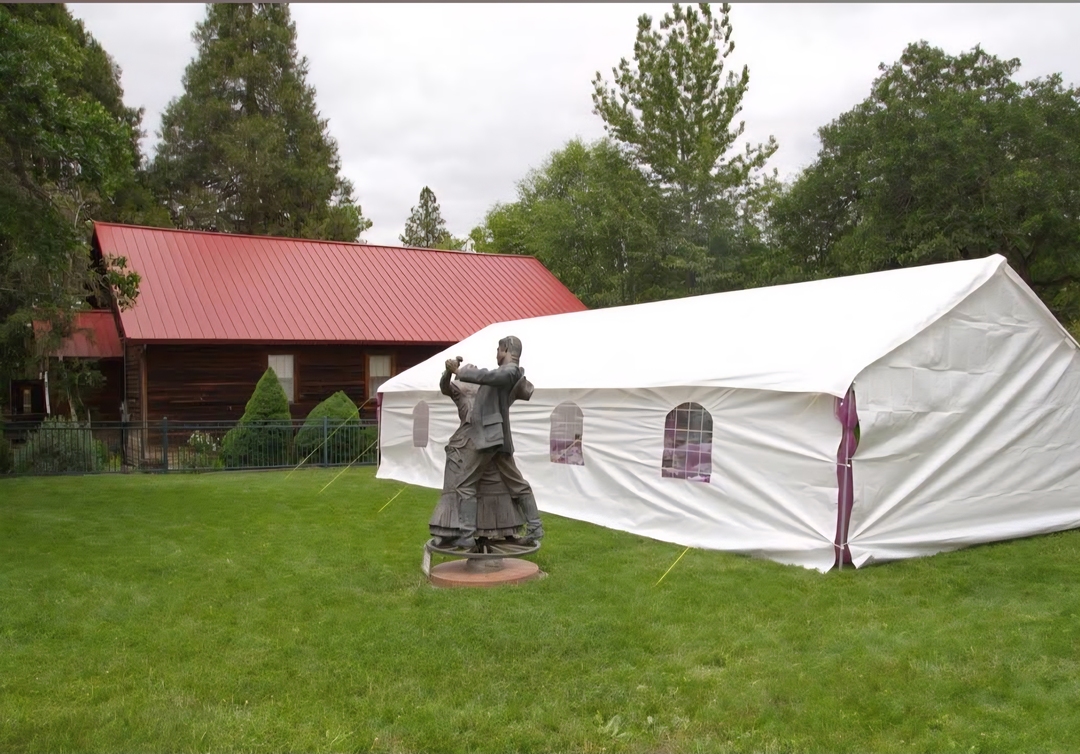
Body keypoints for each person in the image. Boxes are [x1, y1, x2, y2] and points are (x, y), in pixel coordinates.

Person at [446, 335, 544, 548]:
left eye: (498, 350)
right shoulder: (508, 374)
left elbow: (489, 376)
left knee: (465, 483)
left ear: (506, 349)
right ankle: (535, 528)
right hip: (499, 439)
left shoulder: (510, 371)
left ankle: (466, 535)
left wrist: (460, 372)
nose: (496, 354)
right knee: (518, 484)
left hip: (490, 438)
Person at [429, 360, 531, 545]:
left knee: (497, 482)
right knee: (457, 484)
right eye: (470, 367)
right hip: (465, 441)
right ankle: (450, 529)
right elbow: (444, 386)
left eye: (474, 368)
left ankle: (502, 528)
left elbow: (518, 388)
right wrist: (448, 371)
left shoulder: (488, 388)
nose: (473, 368)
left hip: (489, 440)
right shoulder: (457, 390)